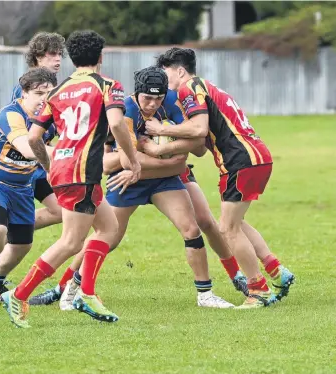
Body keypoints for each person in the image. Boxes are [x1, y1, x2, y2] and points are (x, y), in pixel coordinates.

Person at [30, 67, 248, 310]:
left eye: (158, 98)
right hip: (125, 181)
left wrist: (156, 150)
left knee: (191, 228)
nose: (153, 104)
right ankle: (70, 288)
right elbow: (127, 160)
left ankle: (206, 294)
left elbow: (198, 143)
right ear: (137, 93)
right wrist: (169, 158)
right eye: (147, 98)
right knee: (107, 237)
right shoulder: (126, 109)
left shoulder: (173, 103)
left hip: (159, 181)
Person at [0, 30, 141, 328]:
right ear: (101, 57)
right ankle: (19, 294)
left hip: (65, 169)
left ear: (72, 59)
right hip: (83, 172)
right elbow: (116, 122)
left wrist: (49, 164)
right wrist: (132, 158)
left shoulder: (57, 91)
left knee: (108, 227)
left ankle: (85, 293)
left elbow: (35, 136)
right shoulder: (107, 85)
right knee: (70, 242)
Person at [148, 47, 295, 309]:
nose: (165, 79)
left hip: (240, 160)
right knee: (236, 223)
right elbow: (201, 144)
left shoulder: (189, 88)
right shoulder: (207, 86)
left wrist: (162, 131)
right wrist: (170, 144)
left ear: (180, 70)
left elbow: (199, 128)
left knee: (228, 228)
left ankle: (257, 290)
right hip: (256, 156)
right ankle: (276, 271)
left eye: (167, 72)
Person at [0, 32, 66, 287]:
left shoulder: (55, 100)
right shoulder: (20, 100)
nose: (57, 59)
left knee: (58, 213)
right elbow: (26, 142)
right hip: (20, 167)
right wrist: (66, 155)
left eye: (59, 54)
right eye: (50, 54)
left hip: (31, 169)